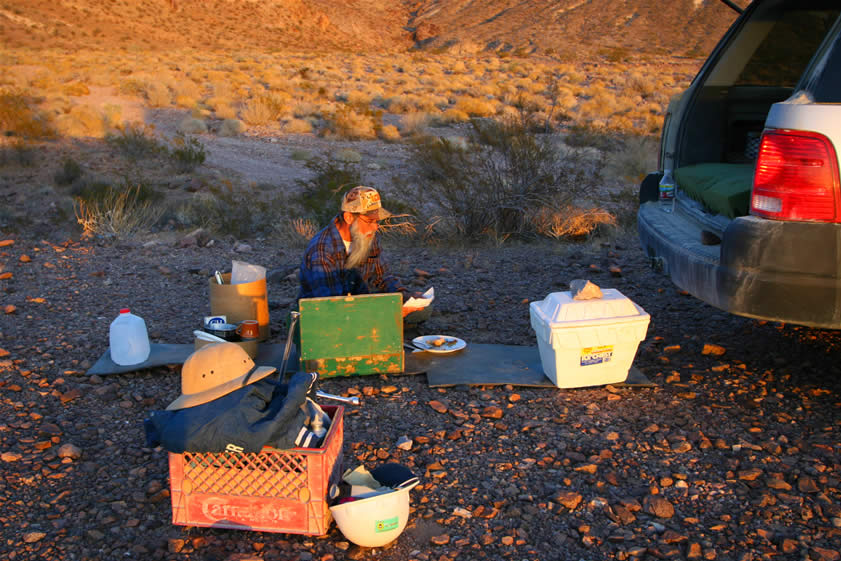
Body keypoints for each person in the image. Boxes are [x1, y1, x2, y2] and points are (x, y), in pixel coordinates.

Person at [298, 186, 423, 316]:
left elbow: (382, 276)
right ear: (349, 217)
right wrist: (388, 311)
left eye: (376, 221)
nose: (375, 227)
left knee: (419, 313)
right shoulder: (321, 251)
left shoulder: (366, 236)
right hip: (321, 317)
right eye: (369, 221)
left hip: (356, 306)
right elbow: (331, 305)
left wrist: (404, 297)